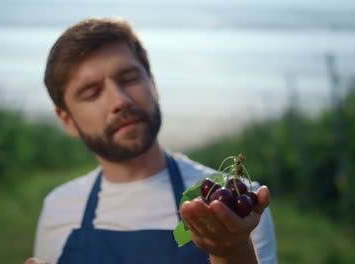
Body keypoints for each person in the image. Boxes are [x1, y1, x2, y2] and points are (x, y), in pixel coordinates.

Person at [25, 17, 277, 264]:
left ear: (153, 84)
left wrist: (231, 252)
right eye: (92, 93)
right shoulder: (59, 208)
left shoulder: (235, 206)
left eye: (129, 78)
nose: (120, 100)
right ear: (68, 120)